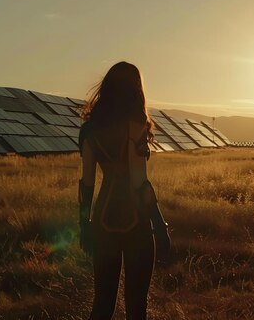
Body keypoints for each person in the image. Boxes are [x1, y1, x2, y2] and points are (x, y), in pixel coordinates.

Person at [78, 61, 171, 320]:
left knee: (102, 304)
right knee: (136, 307)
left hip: (102, 222)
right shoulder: (136, 127)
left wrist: (83, 223)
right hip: (136, 223)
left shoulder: (89, 130)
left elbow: (86, 183)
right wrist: (160, 225)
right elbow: (139, 182)